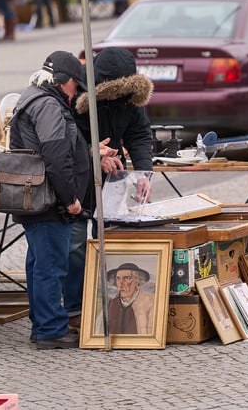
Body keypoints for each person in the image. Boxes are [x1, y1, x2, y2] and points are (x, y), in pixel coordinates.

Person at [66, 47, 154, 331]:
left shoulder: (129, 99)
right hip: (78, 179)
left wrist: (144, 174)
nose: (115, 97)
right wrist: (95, 155)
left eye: (120, 92)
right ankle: (74, 310)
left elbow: (139, 135)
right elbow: (68, 140)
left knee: (111, 238)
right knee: (77, 244)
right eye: (110, 92)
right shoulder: (78, 99)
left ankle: (104, 303)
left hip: (113, 178)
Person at [8, 51, 91, 349]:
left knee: (39, 263)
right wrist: (70, 199)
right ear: (64, 81)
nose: (76, 93)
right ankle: (50, 329)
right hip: (49, 200)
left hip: (37, 196)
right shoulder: (48, 106)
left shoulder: (32, 96)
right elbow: (56, 156)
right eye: (75, 87)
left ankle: (42, 322)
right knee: (50, 265)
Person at [106, 262, 155, 335]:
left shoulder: (150, 302)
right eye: (118, 278)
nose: (120, 284)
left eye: (126, 278)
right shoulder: (112, 303)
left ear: (137, 282)